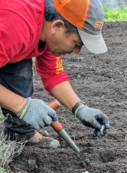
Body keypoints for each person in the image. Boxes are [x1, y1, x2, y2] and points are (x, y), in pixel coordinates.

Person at [0, 0, 110, 148]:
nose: (76, 52)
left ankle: (18, 133)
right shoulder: (13, 27)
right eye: (77, 44)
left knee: (19, 63)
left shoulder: (48, 30)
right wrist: (22, 105)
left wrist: (80, 109)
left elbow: (53, 75)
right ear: (58, 26)